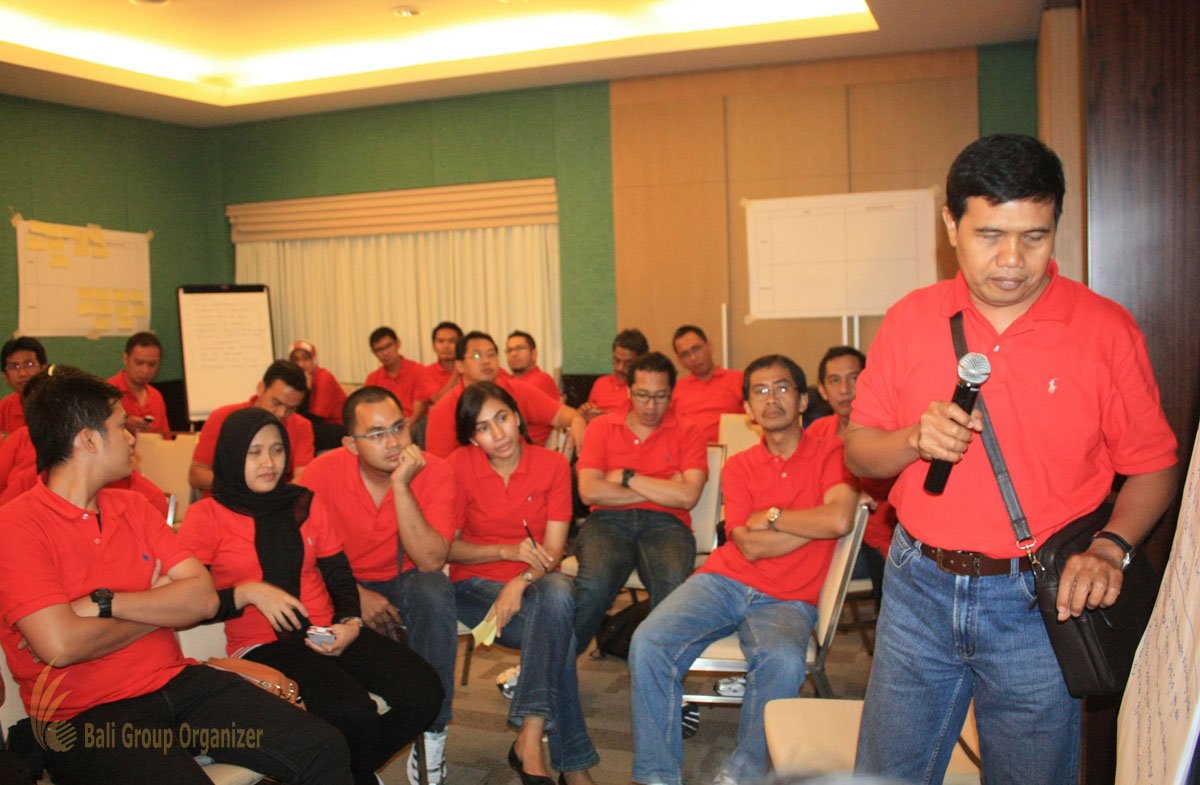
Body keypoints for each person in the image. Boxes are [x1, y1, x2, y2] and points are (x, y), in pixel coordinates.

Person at [846, 134, 1178, 784]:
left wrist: (1110, 547)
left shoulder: (1105, 329)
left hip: (1039, 600)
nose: (1011, 260)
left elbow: (1155, 463)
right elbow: (859, 449)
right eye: (990, 235)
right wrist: (914, 439)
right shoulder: (910, 319)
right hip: (917, 586)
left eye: (1034, 237)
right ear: (951, 225)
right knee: (885, 773)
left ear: (1056, 225)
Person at [0, 367, 352, 785]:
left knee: (324, 747)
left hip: (178, 682)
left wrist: (104, 603)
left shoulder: (133, 507)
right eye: (120, 427)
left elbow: (203, 599)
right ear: (88, 440)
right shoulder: (15, 526)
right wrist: (160, 607)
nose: (132, 437)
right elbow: (60, 645)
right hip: (85, 716)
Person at [178, 407, 443, 785]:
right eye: (254, 452)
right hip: (264, 645)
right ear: (233, 454)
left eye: (277, 451)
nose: (269, 463)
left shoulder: (304, 502)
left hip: (328, 630)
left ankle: (347, 772)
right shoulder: (206, 515)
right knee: (352, 711)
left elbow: (338, 574)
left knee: (425, 691)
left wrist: (350, 622)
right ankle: (352, 773)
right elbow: (191, 604)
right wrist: (246, 593)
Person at [629, 354, 857, 785]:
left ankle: (743, 774)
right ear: (749, 409)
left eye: (783, 388)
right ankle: (656, 777)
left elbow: (839, 519)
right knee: (649, 642)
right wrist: (812, 525)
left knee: (782, 662)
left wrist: (772, 516)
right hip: (723, 581)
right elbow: (748, 546)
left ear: (803, 400)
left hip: (789, 599)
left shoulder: (834, 453)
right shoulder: (739, 466)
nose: (772, 399)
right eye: (760, 391)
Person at [299, 386, 458, 785]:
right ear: (351, 444)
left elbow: (431, 560)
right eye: (376, 434)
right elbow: (303, 555)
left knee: (434, 591)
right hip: (340, 583)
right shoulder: (321, 473)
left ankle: (434, 730)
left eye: (398, 427)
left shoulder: (434, 469)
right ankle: (349, 750)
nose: (393, 442)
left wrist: (402, 485)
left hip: (405, 579)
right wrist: (354, 594)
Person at [447, 382, 599, 785]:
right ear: (472, 438)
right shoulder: (458, 465)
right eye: (483, 428)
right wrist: (505, 552)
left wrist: (519, 581)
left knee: (557, 594)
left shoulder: (552, 465)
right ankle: (573, 765)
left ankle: (529, 739)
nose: (498, 434)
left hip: (534, 585)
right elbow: (449, 548)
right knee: (559, 629)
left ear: (517, 416)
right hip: (472, 586)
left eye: (502, 418)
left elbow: (552, 551)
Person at [572, 351, 707, 651]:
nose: (650, 406)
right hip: (607, 521)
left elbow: (687, 497)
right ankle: (555, 665)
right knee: (594, 586)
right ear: (628, 391)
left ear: (672, 393)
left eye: (660, 397)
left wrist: (627, 477)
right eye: (642, 395)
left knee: (673, 588)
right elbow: (589, 491)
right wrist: (664, 488)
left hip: (667, 524)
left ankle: (657, 668)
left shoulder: (689, 431)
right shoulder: (602, 427)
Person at [807, 346, 896, 597]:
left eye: (854, 378)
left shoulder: (891, 432)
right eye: (835, 380)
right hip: (825, 538)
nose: (845, 390)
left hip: (877, 544)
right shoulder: (817, 432)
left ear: (869, 381)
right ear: (823, 390)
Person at [425, 331, 585, 456]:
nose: (486, 361)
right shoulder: (444, 408)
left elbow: (563, 414)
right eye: (476, 355)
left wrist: (577, 419)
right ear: (459, 366)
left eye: (491, 354)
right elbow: (440, 465)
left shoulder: (517, 389)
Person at [188, 360, 315, 492]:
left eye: (291, 408)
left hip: (273, 500)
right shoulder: (223, 417)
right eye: (276, 403)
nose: (282, 413)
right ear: (261, 388)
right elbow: (196, 475)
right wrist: (245, 491)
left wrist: (276, 497)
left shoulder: (301, 426)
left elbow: (303, 476)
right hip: (226, 498)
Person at [669, 325, 744, 443]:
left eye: (696, 349)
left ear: (709, 346)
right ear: (680, 361)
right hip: (689, 449)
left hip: (731, 449)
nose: (693, 358)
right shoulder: (674, 390)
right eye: (685, 354)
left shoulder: (739, 379)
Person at [108, 331, 170, 435]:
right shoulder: (108, 391)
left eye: (152, 364)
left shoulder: (156, 397)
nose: (145, 370)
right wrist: (122, 425)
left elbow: (165, 438)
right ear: (126, 359)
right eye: (139, 363)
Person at [580, 329, 647, 421]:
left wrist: (609, 418)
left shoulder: (644, 389)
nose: (620, 368)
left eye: (628, 364)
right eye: (617, 360)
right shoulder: (601, 383)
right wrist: (582, 413)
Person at [365, 326, 428, 421]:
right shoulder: (372, 379)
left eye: (388, 346)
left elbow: (419, 411)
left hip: (413, 422)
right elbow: (370, 410)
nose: (385, 353)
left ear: (398, 343)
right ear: (374, 352)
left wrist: (406, 428)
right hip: (385, 423)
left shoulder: (418, 371)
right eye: (379, 350)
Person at [289, 339, 348, 425]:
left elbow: (315, 418)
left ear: (314, 360)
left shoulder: (323, 377)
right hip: (318, 424)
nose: (300, 364)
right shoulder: (295, 380)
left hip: (338, 425)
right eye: (295, 360)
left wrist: (306, 391)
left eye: (305, 358)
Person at [0, 336, 46, 438]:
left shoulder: (60, 405)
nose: (22, 373)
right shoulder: (3, 409)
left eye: (29, 364)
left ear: (43, 369)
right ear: (5, 376)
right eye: (14, 367)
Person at [417, 321, 464, 408]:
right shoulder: (426, 372)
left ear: (461, 345)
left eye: (452, 341)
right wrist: (457, 371)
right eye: (441, 341)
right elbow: (438, 401)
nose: (446, 346)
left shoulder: (470, 368)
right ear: (434, 346)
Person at [505, 331, 561, 401]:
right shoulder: (506, 380)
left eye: (520, 348)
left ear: (534, 354)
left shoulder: (542, 380)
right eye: (509, 350)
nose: (513, 354)